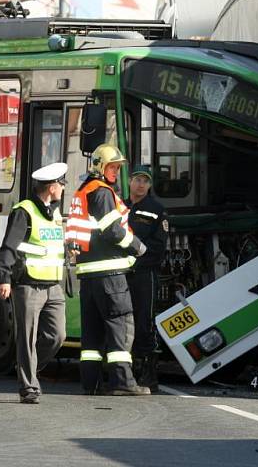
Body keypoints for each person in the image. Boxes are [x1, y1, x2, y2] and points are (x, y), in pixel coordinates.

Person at [65, 143, 149, 396]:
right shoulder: (101, 192)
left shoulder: (83, 190)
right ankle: (123, 382)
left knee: (92, 333)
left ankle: (90, 383)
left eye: (118, 167)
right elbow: (112, 230)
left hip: (89, 276)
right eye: (112, 167)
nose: (115, 172)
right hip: (110, 275)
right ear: (100, 167)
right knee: (120, 327)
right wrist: (137, 246)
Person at [0, 162, 68, 405]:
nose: (63, 188)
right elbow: (8, 247)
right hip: (29, 284)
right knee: (26, 337)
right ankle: (28, 387)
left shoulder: (55, 211)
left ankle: (28, 366)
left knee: (57, 335)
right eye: (61, 184)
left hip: (53, 286)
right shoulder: (24, 211)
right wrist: (4, 278)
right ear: (51, 187)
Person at [124, 165, 167, 391]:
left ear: (149, 186)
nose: (141, 184)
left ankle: (148, 374)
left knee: (144, 324)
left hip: (143, 275)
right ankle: (125, 372)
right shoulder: (119, 206)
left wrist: (136, 257)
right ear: (130, 181)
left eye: (145, 181)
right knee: (121, 322)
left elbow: (159, 247)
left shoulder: (157, 210)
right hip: (120, 274)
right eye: (137, 179)